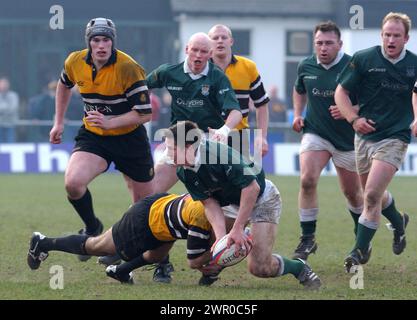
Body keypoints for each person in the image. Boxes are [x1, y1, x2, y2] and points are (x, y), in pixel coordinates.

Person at [163, 120, 322, 289]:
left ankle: (299, 267)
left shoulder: (218, 155)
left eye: (171, 149)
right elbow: (209, 203)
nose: (167, 154)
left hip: (261, 198)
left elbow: (251, 188)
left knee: (260, 268)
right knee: (199, 259)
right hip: (232, 204)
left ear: (188, 147)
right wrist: (221, 238)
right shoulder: (183, 171)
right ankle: (231, 248)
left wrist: (237, 228)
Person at [139, 32, 242, 282]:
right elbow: (139, 86)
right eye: (194, 50)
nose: (198, 56)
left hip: (208, 147)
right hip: (177, 144)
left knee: (217, 205)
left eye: (203, 52)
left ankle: (214, 262)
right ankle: (161, 263)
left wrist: (225, 130)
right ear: (187, 49)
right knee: (152, 197)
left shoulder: (217, 77)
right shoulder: (168, 72)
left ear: (210, 54)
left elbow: (235, 112)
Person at [49, 18, 154, 262]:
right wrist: (59, 122)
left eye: (106, 40)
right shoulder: (75, 61)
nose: (101, 45)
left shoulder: (128, 67)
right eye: (96, 40)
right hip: (95, 136)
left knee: (145, 207)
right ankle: (93, 227)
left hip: (130, 140)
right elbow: (64, 86)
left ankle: (155, 261)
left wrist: (111, 122)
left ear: (112, 42)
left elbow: (145, 113)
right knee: (73, 183)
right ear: (89, 43)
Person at [335, 12, 417, 272]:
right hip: (364, 135)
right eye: (387, 34)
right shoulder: (363, 58)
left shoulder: (414, 64)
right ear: (381, 35)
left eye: (396, 35)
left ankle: (358, 251)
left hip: (396, 136)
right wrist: (352, 119)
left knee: (370, 194)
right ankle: (398, 221)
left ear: (406, 38)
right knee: (372, 194)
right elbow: (341, 92)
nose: (391, 39)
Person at [27, 193, 218, 285]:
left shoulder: (217, 210)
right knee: (97, 246)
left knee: (156, 255)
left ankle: (119, 271)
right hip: (146, 219)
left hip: (162, 215)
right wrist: (217, 258)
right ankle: (43, 242)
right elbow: (194, 261)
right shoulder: (202, 217)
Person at [291, 21, 364, 261]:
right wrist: (299, 114)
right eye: (319, 43)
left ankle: (360, 235)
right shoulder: (306, 65)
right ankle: (307, 238)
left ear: (339, 44)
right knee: (307, 179)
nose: (323, 48)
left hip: (347, 139)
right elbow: (299, 89)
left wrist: (350, 109)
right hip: (316, 132)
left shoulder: (353, 65)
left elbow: (372, 99)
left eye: (329, 43)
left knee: (352, 193)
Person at [208, 24, 270, 158]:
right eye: (215, 38)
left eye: (224, 37)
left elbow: (261, 104)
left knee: (242, 178)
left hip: (238, 136)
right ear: (209, 43)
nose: (219, 40)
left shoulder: (248, 67)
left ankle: (262, 181)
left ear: (231, 41)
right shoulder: (201, 68)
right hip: (208, 134)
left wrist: (262, 137)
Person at [0, 76, 19, 143]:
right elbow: (9, 109)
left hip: (10, 124)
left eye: (5, 84)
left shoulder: (13, 95)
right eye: (2, 84)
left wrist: (2, 111)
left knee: (10, 143)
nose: (4, 86)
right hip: (0, 124)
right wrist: (7, 108)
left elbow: (13, 108)